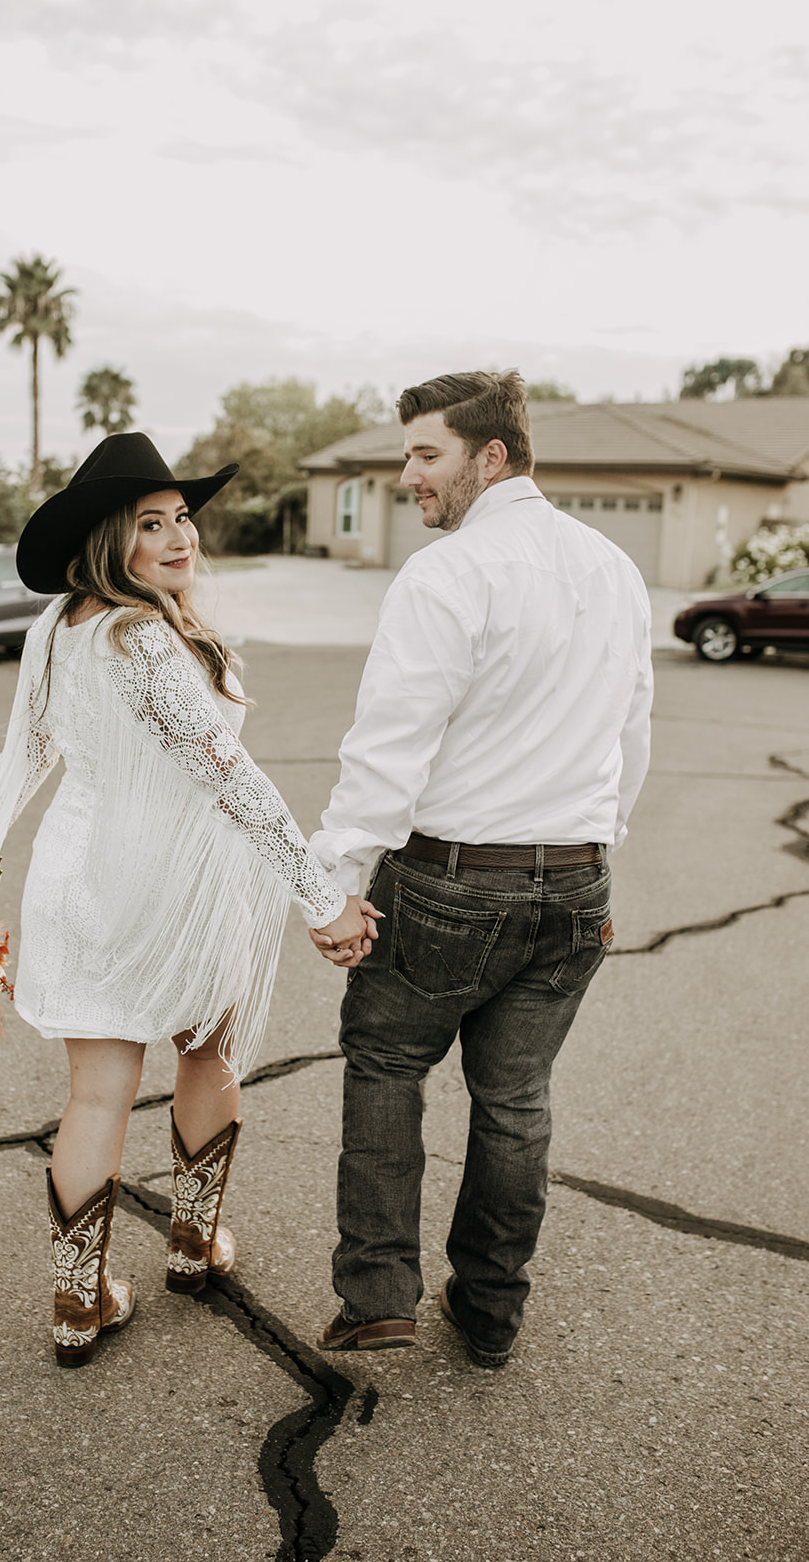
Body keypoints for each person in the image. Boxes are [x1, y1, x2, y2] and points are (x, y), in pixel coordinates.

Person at [0, 432, 377, 1367]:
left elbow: (41, 750)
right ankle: (190, 1242)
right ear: (109, 538)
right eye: (151, 524)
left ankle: (77, 1302)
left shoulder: (61, 625)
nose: (180, 540)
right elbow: (231, 777)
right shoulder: (144, 638)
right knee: (205, 1053)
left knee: (96, 1091)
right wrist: (319, 896)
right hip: (165, 880)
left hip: (77, 871)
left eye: (183, 519)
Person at [307, 371, 652, 1364]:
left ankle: (377, 1291)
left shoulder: (447, 574)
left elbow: (388, 748)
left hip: (451, 881)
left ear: (487, 456)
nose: (406, 473)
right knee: (515, 1101)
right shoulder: (613, 569)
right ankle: (490, 1308)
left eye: (424, 454)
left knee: (384, 1061)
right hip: (571, 884)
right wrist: (602, 857)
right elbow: (631, 735)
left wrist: (334, 883)